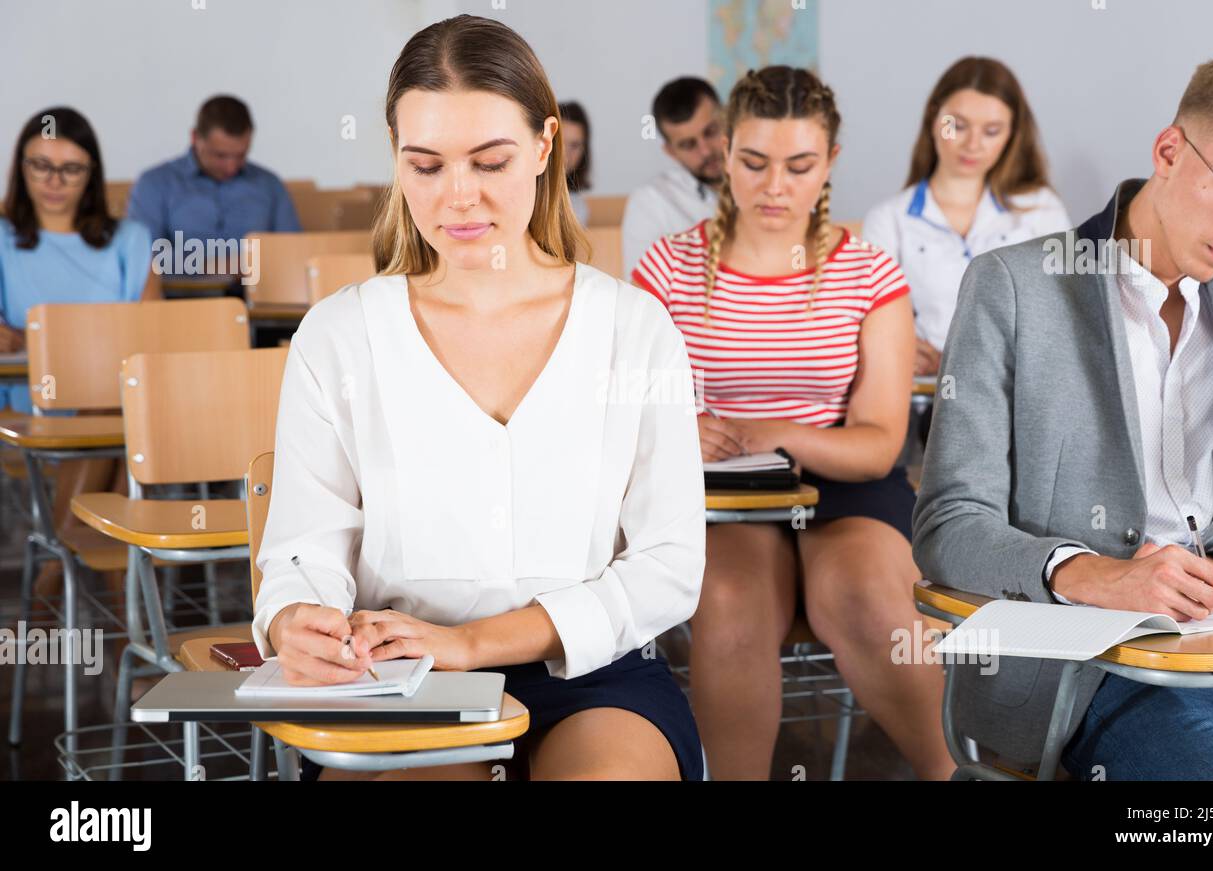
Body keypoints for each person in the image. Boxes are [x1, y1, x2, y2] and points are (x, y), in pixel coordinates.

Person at [253, 14, 706, 781]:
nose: (457, 199)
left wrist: (473, 642)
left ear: (544, 145)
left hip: (588, 671)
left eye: (489, 161)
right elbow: (306, 545)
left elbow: (669, 564)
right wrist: (297, 615)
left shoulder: (633, 327)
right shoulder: (337, 336)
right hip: (401, 676)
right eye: (424, 166)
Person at [912, 49, 1213, 780]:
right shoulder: (1014, 287)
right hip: (1104, 673)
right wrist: (1091, 573)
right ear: (1167, 152)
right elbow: (949, 523)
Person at [633, 66, 954, 780]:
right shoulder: (668, 268)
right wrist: (679, 427)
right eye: (753, 162)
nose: (775, 186)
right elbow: (627, 410)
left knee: (869, 595)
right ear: (726, 152)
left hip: (843, 483)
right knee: (728, 600)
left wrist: (773, 432)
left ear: (829, 163)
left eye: (799, 165)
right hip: (725, 493)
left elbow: (877, 445)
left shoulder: (871, 275)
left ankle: (954, 773)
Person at [1, 106, 161, 601]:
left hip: (117, 406)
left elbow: (149, 335)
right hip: (33, 409)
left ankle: (53, 580)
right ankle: (117, 610)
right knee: (118, 416)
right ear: (19, 167)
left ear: (91, 174)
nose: (54, 181)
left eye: (70, 168)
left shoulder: (130, 238)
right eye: (40, 165)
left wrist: (43, 338)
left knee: (114, 403)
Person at [862, 57, 1070, 378]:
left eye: (991, 131)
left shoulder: (1041, 210)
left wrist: (949, 360)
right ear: (934, 119)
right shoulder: (888, 221)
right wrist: (901, 347)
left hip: (1020, 396)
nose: (973, 144)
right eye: (957, 126)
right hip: (926, 403)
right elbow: (875, 333)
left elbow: (1061, 322)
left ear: (1012, 134)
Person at [126, 94, 300, 270]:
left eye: (241, 155)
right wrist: (217, 267)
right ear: (195, 138)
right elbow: (143, 259)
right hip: (181, 295)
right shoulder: (155, 184)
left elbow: (294, 253)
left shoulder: (269, 185)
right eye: (220, 155)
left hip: (257, 294)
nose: (231, 167)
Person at [621, 77, 724, 280]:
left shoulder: (773, 180)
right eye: (688, 144)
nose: (705, 151)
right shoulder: (651, 202)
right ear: (670, 151)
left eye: (710, 132)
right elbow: (641, 298)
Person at [558, 101, 591, 225]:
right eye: (560, 143)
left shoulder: (578, 207)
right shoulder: (523, 196)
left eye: (575, 145)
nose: (566, 154)